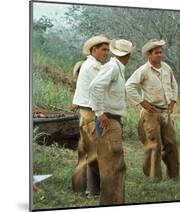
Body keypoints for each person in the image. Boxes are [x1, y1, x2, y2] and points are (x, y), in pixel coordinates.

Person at [125, 39, 179, 182]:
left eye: (161, 52)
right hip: (151, 113)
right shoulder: (143, 70)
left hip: (165, 111)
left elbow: (174, 85)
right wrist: (142, 102)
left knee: (171, 142)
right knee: (154, 144)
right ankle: (154, 177)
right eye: (156, 53)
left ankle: (174, 175)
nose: (160, 55)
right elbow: (129, 86)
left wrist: (173, 101)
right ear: (149, 55)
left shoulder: (166, 68)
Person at [89, 39, 134, 205]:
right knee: (112, 165)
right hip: (108, 119)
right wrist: (99, 112)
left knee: (116, 165)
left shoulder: (117, 68)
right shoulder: (113, 67)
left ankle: (116, 201)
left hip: (113, 118)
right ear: (128, 54)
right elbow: (95, 87)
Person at [71, 35, 110, 197]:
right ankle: (93, 190)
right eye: (103, 49)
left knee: (85, 152)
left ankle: (80, 187)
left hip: (85, 111)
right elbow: (98, 91)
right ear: (94, 50)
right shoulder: (93, 67)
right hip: (91, 112)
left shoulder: (89, 65)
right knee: (94, 153)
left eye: (107, 50)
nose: (106, 53)